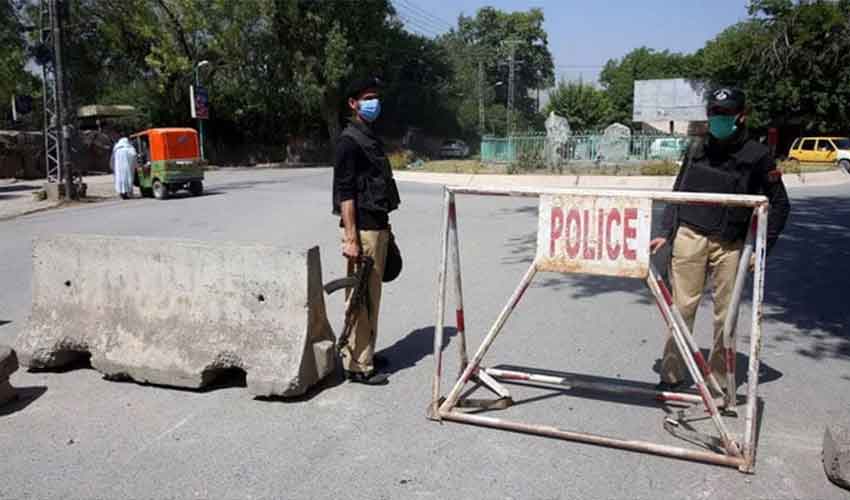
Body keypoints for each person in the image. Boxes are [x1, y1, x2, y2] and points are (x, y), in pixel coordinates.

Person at [650, 87, 790, 395]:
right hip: (690, 235)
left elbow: (780, 204)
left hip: (730, 243)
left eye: (725, 114)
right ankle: (671, 375)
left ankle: (719, 382)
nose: (718, 119)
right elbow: (678, 191)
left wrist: (761, 249)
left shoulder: (757, 156)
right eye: (714, 113)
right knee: (681, 308)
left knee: (726, 316)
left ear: (741, 116)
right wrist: (665, 231)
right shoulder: (698, 148)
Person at [332, 76, 401, 385]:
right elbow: (345, 194)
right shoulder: (349, 141)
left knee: (372, 295)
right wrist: (351, 239)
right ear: (353, 103)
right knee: (361, 298)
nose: (374, 102)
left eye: (375, 97)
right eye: (367, 98)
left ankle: (365, 353)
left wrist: (386, 227)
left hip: (377, 225)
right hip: (362, 231)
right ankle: (358, 366)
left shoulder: (368, 137)